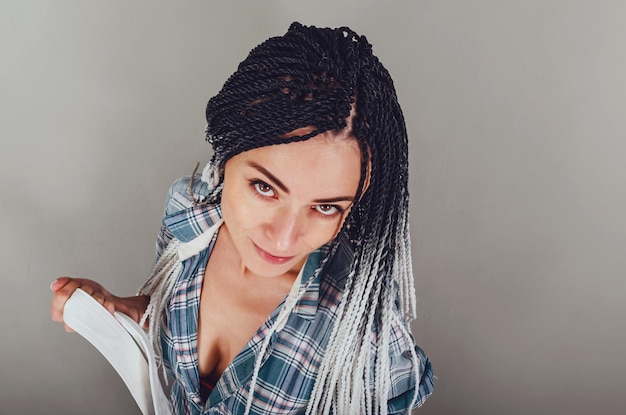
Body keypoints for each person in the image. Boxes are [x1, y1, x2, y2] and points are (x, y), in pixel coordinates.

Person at [51, 22, 434, 415]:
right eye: (265, 188)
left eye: (325, 207)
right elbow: (169, 315)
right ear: (227, 149)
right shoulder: (188, 217)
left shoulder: (361, 323)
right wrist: (130, 312)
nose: (283, 239)